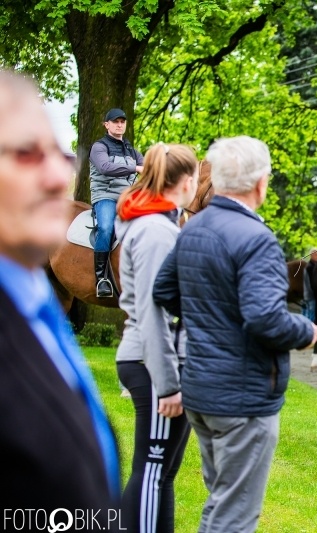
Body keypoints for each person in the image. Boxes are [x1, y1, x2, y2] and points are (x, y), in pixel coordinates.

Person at [152, 136, 317, 533]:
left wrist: (210, 318)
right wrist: (307, 329)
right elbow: (265, 319)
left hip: (201, 393)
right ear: (261, 183)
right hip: (242, 399)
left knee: (221, 503)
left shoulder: (192, 228)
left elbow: (163, 291)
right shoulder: (256, 239)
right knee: (235, 517)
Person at [0, 69, 120, 512]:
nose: (56, 176)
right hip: (108, 199)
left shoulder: (34, 303)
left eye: (61, 155)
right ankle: (105, 273)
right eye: (28, 154)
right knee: (105, 224)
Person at [115, 143, 198, 532]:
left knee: (162, 473)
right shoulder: (155, 231)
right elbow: (152, 313)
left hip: (161, 363)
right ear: (183, 182)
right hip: (152, 366)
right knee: (152, 471)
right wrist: (167, 386)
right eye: (197, 175)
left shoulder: (163, 224)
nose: (199, 183)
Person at [89, 107, 144, 297]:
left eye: (122, 122)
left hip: (128, 197)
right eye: (115, 122)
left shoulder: (131, 150)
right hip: (105, 196)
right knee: (105, 227)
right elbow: (105, 167)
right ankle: (102, 279)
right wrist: (135, 167)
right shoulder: (99, 147)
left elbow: (147, 168)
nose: (120, 125)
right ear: (106, 125)